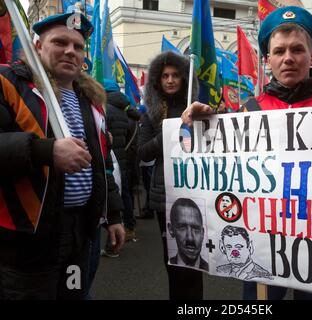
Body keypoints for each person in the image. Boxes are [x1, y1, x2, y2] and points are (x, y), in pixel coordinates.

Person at [182, 6, 312, 300]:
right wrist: (203, 127)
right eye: (279, 51)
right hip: (265, 248)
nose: (287, 57)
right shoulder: (250, 109)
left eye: (296, 49)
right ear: (268, 60)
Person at [0, 12, 125, 299]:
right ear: (37, 47)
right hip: (27, 239)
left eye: (78, 46)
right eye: (60, 42)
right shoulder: (9, 84)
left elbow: (103, 163)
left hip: (80, 232)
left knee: (73, 293)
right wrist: (47, 151)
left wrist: (114, 214)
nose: (71, 51)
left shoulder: (91, 101)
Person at [138, 51, 204, 300]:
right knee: (174, 261)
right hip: (164, 195)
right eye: (165, 75)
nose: (170, 80)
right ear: (157, 80)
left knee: (196, 261)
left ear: (184, 78)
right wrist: (172, 129)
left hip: (196, 192)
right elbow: (143, 153)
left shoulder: (196, 109)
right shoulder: (151, 114)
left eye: (176, 75)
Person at [103, 79, 137, 246]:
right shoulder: (122, 111)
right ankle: (129, 226)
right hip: (122, 156)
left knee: (114, 193)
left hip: (110, 158)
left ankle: (114, 239)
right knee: (124, 193)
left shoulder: (106, 109)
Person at [167, 198, 208, 271]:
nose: (190, 238)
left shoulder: (209, 267)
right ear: (171, 230)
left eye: (196, 228)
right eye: (182, 227)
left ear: (202, 233)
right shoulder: (170, 262)